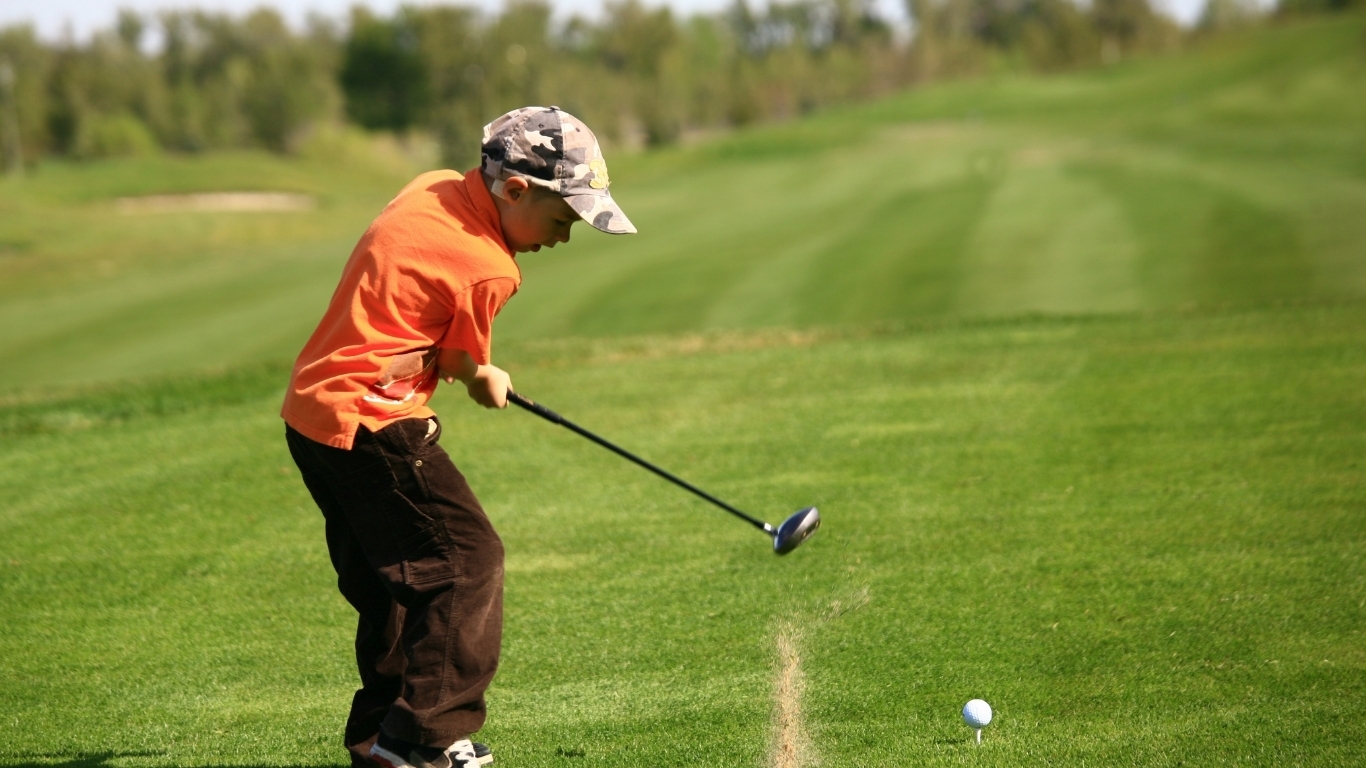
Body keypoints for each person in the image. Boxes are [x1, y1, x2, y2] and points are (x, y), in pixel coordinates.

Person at [281, 106, 635, 768]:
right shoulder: (490, 268)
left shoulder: (431, 186)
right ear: (516, 190)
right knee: (467, 562)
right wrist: (484, 379)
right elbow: (462, 363)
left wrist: (470, 367)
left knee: (393, 587)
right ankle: (422, 742)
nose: (564, 239)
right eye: (563, 220)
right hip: (375, 424)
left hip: (310, 417)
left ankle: (381, 741)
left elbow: (427, 327)